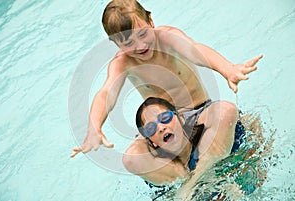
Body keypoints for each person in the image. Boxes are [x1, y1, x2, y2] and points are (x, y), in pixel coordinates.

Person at [70, 0, 262, 181]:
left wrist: (227, 69)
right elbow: (106, 93)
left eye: (143, 34)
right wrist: (94, 126)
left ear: (151, 20)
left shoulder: (168, 38)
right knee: (131, 159)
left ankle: (200, 177)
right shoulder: (122, 63)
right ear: (116, 44)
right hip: (161, 130)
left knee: (226, 111)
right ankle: (185, 178)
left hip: (199, 113)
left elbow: (196, 51)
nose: (140, 46)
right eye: (128, 43)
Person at [134, 97, 244, 195]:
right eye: (151, 129)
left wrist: (191, 183)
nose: (161, 128)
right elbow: (130, 160)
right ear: (152, 142)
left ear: (181, 119)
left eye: (165, 118)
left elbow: (227, 110)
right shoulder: (160, 172)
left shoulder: (209, 138)